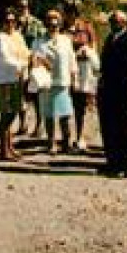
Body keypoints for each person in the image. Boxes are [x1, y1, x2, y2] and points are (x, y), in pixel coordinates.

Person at [97, 11, 127, 178]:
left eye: (116, 21)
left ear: (124, 23)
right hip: (107, 89)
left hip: (120, 90)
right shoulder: (110, 38)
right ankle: (111, 162)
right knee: (108, 127)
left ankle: (123, 165)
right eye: (112, 21)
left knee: (121, 128)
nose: (113, 23)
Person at [30, 10, 76, 153]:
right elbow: (33, 60)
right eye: (50, 23)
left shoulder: (66, 40)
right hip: (46, 82)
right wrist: (40, 61)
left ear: (60, 24)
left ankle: (66, 142)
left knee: (65, 114)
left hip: (62, 81)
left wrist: (74, 80)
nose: (53, 26)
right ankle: (51, 143)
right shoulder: (38, 41)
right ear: (46, 24)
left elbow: (71, 60)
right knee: (48, 114)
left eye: (56, 24)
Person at [0, 8, 31, 161]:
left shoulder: (18, 36)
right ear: (2, 23)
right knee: (6, 115)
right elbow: (5, 58)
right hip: (4, 80)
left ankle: (10, 147)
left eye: (13, 21)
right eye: (7, 21)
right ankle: (3, 150)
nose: (10, 24)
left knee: (13, 113)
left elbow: (26, 52)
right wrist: (22, 64)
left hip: (17, 79)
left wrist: (33, 58)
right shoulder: (0, 38)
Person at [66, 0, 99, 151]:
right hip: (67, 68)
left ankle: (81, 136)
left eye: (75, 11)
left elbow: (93, 46)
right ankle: (67, 136)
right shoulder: (63, 28)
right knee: (68, 104)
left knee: (82, 104)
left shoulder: (86, 27)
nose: (72, 13)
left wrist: (86, 51)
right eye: (70, 11)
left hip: (83, 69)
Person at [13, 0, 43, 136]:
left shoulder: (36, 23)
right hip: (18, 64)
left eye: (24, 6)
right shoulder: (13, 24)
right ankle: (22, 124)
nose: (22, 9)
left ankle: (39, 125)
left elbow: (42, 41)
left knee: (35, 95)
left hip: (32, 63)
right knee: (20, 95)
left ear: (28, 7)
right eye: (19, 6)